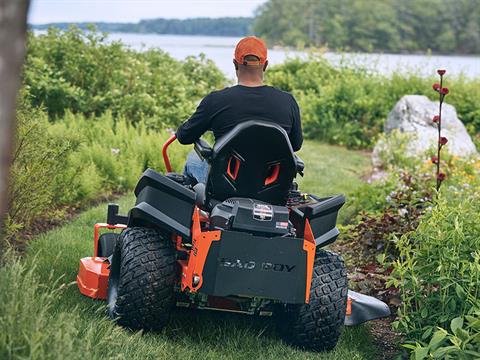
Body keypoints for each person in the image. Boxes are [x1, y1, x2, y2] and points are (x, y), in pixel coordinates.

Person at [176, 36, 303, 184]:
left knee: (193, 158)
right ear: (265, 65)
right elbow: (295, 145)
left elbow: (184, 137)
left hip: (225, 184)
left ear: (235, 64)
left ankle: (199, 203)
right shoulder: (288, 101)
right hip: (271, 185)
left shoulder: (216, 101)